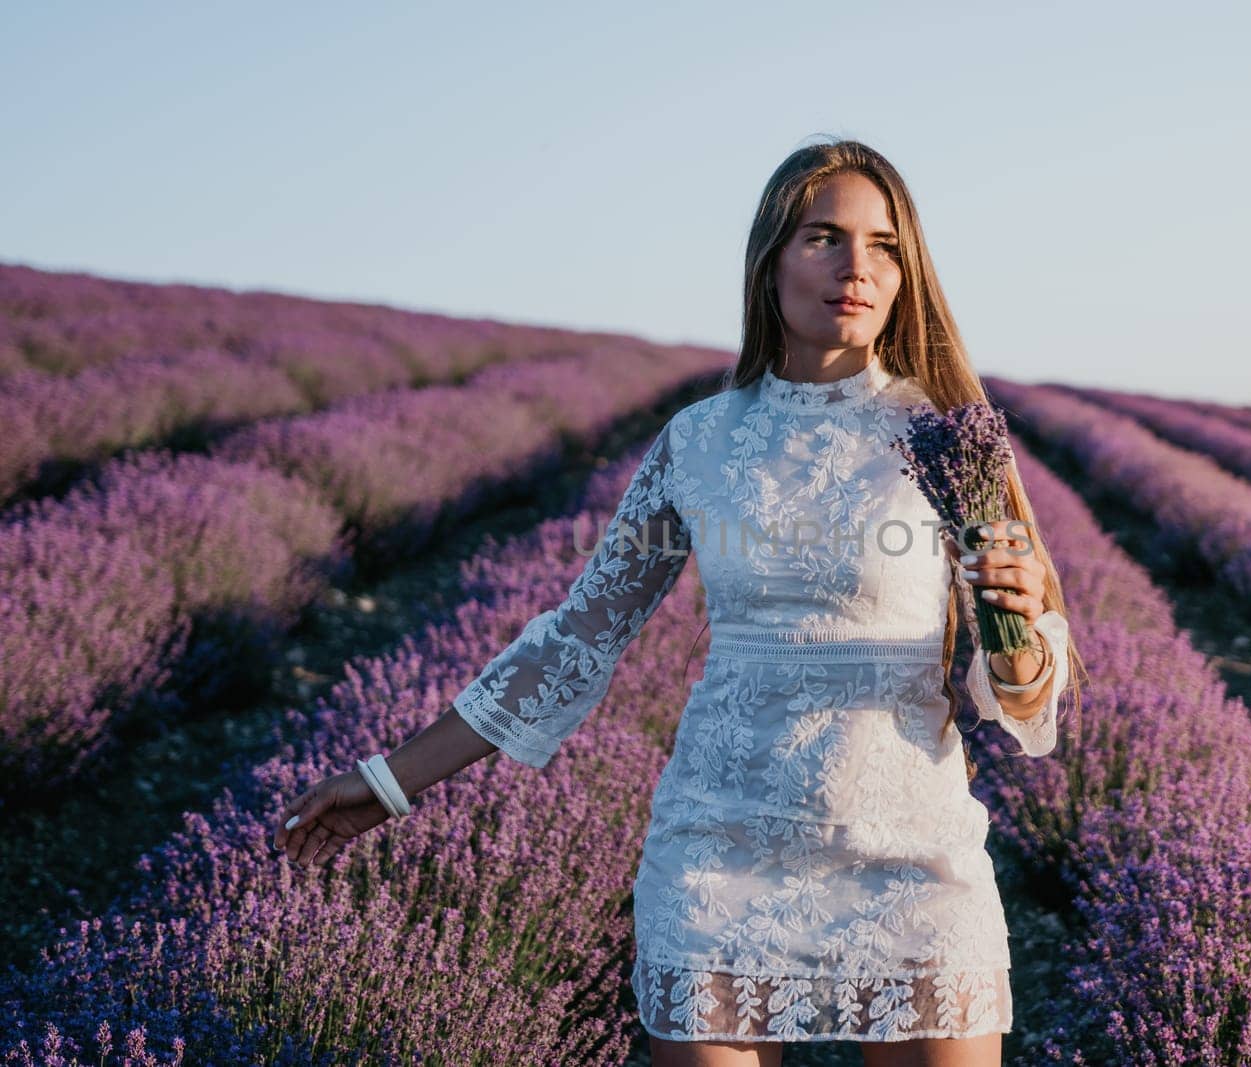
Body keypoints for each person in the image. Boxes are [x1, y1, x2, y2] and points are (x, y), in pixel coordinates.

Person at [273, 137, 1086, 1067]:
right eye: (824, 237)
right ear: (770, 257)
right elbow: (577, 639)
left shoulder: (948, 439)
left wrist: (1012, 631)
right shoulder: (698, 443)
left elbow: (1026, 698)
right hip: (720, 852)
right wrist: (388, 781)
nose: (857, 266)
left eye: (884, 244)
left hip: (912, 855)